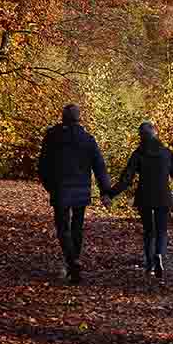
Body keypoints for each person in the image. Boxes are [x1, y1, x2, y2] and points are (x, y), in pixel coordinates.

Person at [36, 104, 112, 284]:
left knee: (63, 228)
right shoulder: (88, 139)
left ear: (62, 118)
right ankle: (74, 261)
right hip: (81, 189)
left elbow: (43, 165)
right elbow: (99, 166)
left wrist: (50, 186)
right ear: (79, 119)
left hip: (61, 188)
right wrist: (105, 191)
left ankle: (72, 261)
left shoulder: (52, 137)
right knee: (77, 227)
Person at [106, 121, 173, 278]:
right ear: (155, 133)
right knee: (162, 230)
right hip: (163, 197)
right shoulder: (167, 153)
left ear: (141, 137)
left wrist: (111, 193)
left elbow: (126, 179)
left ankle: (150, 264)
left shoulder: (138, 154)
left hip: (144, 197)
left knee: (149, 231)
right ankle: (159, 255)